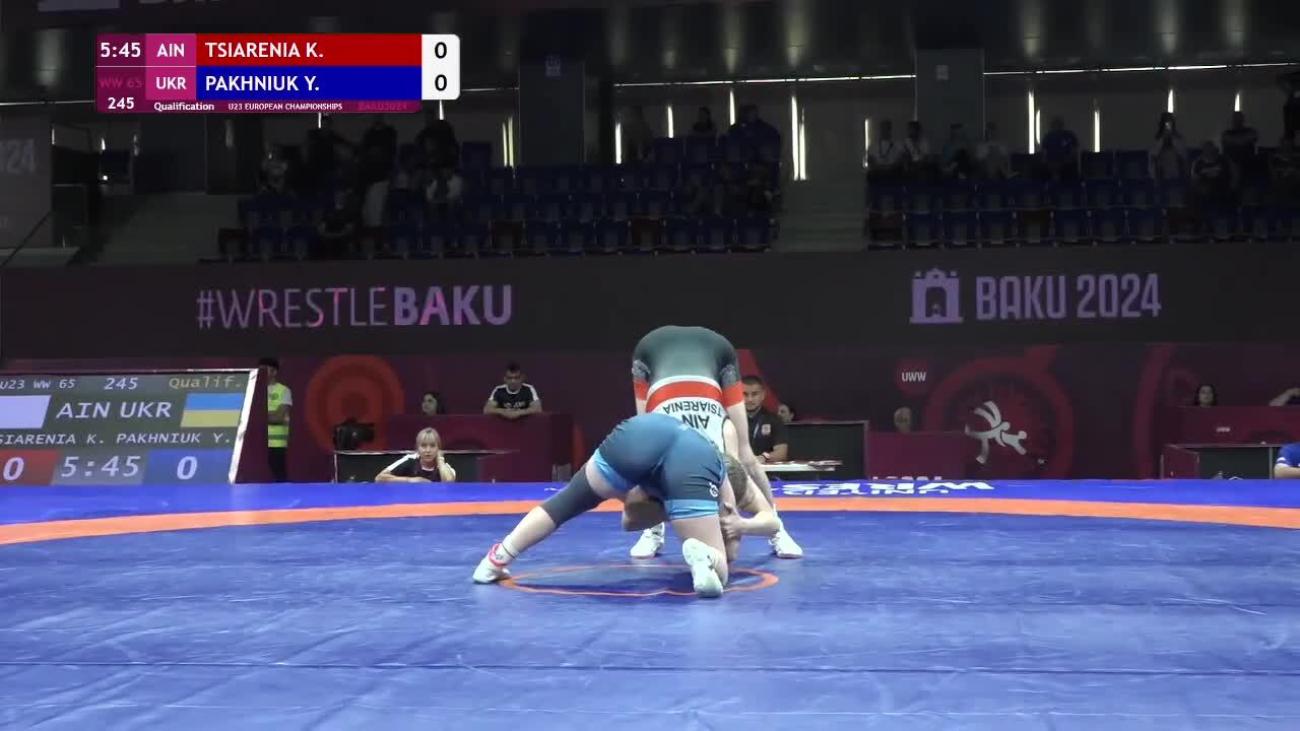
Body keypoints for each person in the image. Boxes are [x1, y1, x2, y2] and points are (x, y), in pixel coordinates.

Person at [472, 412, 733, 598]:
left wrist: (665, 511)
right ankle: (706, 558)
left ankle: (494, 561)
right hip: (687, 463)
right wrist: (717, 537)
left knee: (565, 503)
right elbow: (733, 540)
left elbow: (630, 522)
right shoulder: (714, 468)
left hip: (640, 433)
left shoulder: (702, 455)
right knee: (721, 571)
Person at [625, 325, 803, 560]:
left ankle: (779, 533)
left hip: (711, 355)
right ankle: (653, 531)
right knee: (646, 452)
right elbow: (629, 519)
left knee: (745, 454)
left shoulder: (727, 465)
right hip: (653, 354)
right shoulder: (669, 466)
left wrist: (744, 525)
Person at [622, 418, 781, 563]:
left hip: (706, 474)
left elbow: (773, 523)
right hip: (680, 484)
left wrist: (742, 525)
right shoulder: (677, 477)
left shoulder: (740, 480)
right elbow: (628, 523)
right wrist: (672, 511)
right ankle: (655, 531)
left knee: (729, 554)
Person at [377, 427, 456, 483]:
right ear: (418, 448)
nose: (428, 450)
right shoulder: (410, 460)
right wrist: (411, 480)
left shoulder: (444, 466)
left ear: (438, 448)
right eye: (423, 446)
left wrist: (440, 461)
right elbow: (379, 478)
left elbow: (449, 483)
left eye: (432, 446)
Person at [260, 357, 292, 482]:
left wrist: (260, 416)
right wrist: (270, 414)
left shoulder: (284, 391)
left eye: (265, 370)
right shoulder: (254, 389)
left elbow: (278, 417)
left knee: (279, 478)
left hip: (276, 444)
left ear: (274, 372)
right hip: (256, 443)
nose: (261, 373)